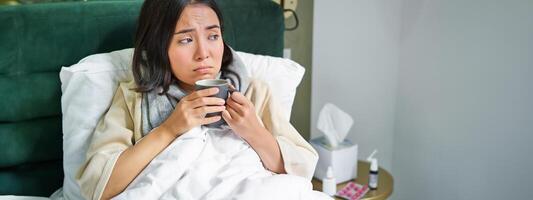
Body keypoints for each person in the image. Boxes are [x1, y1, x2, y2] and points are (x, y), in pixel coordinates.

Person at [76, 0, 318, 199]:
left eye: (213, 36)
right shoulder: (135, 98)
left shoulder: (252, 91)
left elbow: (300, 171)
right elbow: (98, 187)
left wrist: (254, 130)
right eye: (186, 40)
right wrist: (169, 129)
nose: (204, 53)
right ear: (159, 45)